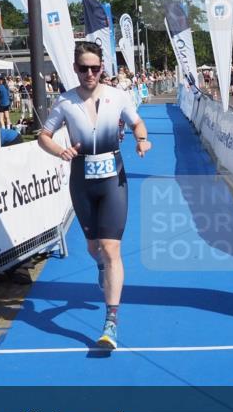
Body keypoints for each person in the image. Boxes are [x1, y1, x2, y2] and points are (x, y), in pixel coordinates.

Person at [37, 42, 151, 350]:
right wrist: (60, 150)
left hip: (114, 179)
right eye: (84, 68)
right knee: (93, 247)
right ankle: (100, 266)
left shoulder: (118, 96)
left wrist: (142, 140)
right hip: (82, 182)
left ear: (102, 69)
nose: (90, 73)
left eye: (95, 68)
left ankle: (110, 322)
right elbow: (42, 136)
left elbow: (137, 122)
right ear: (75, 69)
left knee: (111, 249)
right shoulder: (64, 102)